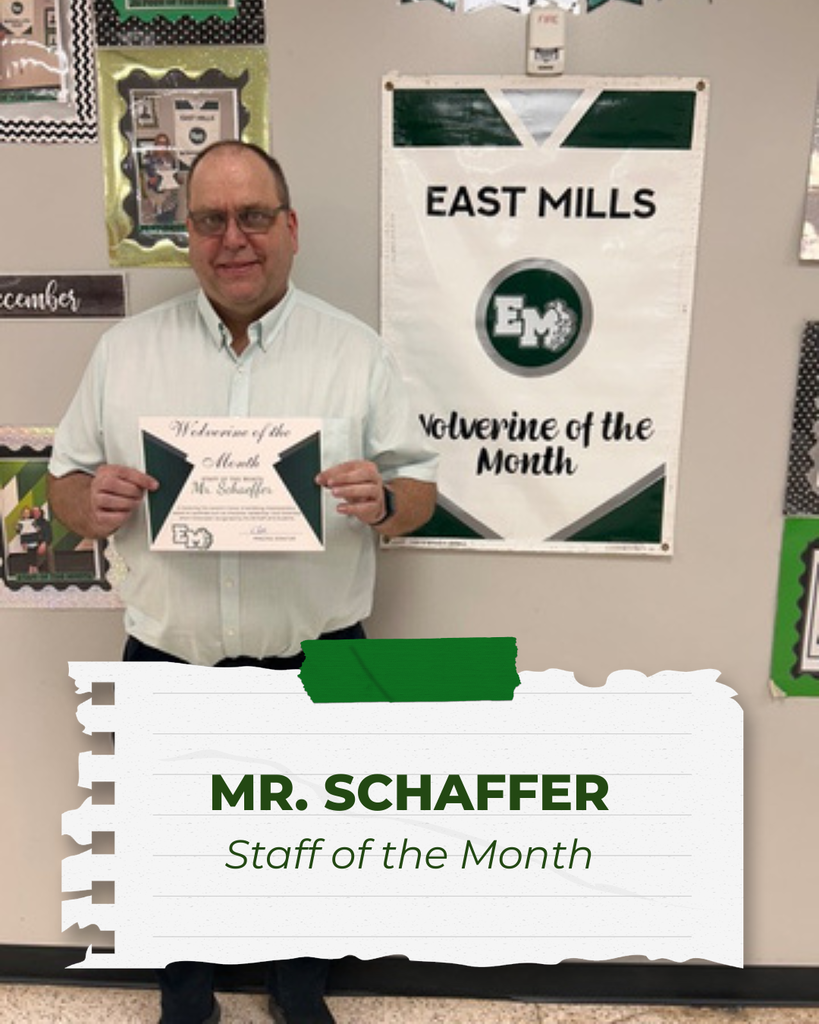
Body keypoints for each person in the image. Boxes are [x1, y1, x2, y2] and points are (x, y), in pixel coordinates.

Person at [48, 140, 438, 1024]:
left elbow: (420, 491)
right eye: (210, 220)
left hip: (317, 655)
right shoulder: (123, 353)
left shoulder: (356, 353)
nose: (234, 238)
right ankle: (183, 987)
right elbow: (65, 485)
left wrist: (384, 499)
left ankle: (297, 982)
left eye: (253, 216)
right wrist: (89, 500)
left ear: (289, 228)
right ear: (185, 236)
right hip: (171, 653)